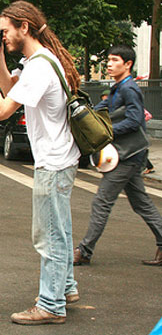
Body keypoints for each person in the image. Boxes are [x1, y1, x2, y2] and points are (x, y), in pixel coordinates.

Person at [0, 1, 81, 325]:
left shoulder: (40, 67)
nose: (0, 36)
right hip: (62, 158)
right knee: (60, 229)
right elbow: (12, 89)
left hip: (53, 162)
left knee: (49, 235)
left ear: (25, 27)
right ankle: (67, 287)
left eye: (5, 31)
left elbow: (3, 109)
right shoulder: (38, 61)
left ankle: (51, 305)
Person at [74, 45, 162, 267]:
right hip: (128, 154)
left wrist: (108, 132)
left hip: (129, 155)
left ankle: (84, 250)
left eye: (114, 60)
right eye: (109, 60)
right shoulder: (117, 89)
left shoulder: (129, 89)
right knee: (141, 203)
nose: (109, 64)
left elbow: (134, 121)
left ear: (128, 64)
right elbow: (98, 112)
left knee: (102, 201)